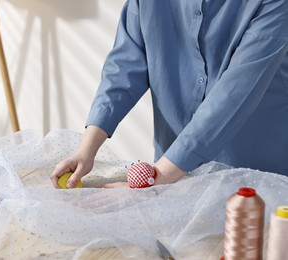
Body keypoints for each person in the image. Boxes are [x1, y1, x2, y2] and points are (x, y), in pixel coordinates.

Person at [51, 0, 288, 189]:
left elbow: (235, 94)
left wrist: (158, 177)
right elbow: (124, 67)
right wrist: (87, 148)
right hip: (171, 175)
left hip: (257, 178)